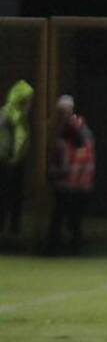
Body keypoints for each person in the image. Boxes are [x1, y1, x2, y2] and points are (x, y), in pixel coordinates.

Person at [46, 96, 95, 256]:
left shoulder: (69, 130)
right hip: (78, 182)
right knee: (71, 218)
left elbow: (70, 156)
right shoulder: (81, 129)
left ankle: (56, 248)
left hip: (69, 182)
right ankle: (72, 248)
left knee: (62, 217)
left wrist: (57, 172)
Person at [0, 79, 34, 237]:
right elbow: (18, 140)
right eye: (28, 100)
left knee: (6, 195)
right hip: (10, 161)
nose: (30, 104)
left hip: (7, 160)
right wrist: (15, 157)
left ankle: (6, 226)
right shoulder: (16, 116)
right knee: (13, 195)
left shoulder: (6, 112)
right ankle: (13, 227)